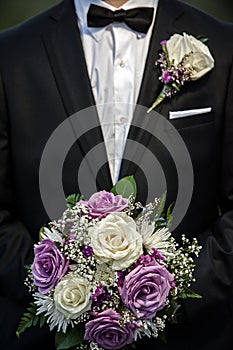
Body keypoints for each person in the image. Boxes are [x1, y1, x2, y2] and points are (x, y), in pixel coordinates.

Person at [0, 0, 233, 349]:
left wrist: (171, 294)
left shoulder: (225, 47)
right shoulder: (10, 53)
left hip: (194, 337)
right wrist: (59, 292)